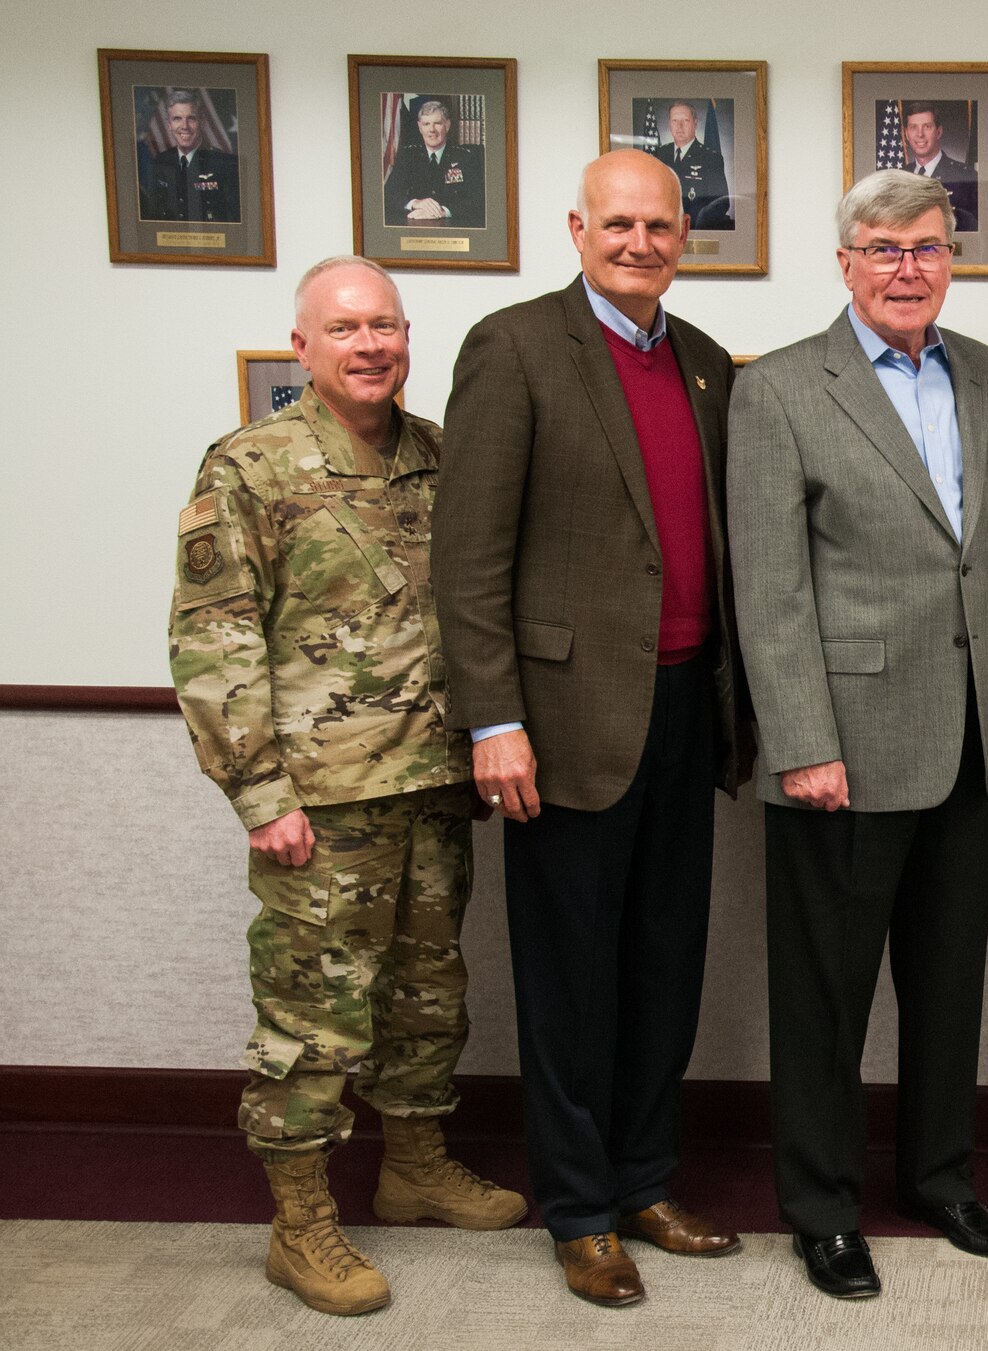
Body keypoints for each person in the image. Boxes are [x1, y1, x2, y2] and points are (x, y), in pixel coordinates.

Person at [168, 255, 527, 1318]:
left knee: (426, 999)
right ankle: (299, 1223)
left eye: (387, 326)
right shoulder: (252, 466)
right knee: (311, 1020)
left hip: (430, 785)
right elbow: (212, 636)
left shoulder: (437, 456)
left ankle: (413, 1166)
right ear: (304, 346)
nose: (371, 345)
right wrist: (258, 793)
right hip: (318, 804)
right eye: (347, 329)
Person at [728, 168, 988, 1300]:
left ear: (948, 260)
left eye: (925, 248)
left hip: (967, 736)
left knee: (947, 979)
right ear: (845, 261)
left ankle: (936, 1176)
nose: (905, 267)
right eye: (882, 248)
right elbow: (767, 591)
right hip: (842, 747)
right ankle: (820, 1207)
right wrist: (800, 738)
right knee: (824, 996)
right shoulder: (775, 390)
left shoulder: (981, 373)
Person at [431, 150, 747, 1307]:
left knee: (666, 964)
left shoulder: (707, 365)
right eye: (617, 223)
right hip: (559, 722)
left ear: (682, 236)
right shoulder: (513, 348)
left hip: (682, 708)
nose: (639, 242)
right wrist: (494, 718)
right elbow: (467, 560)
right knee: (569, 977)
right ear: (576, 228)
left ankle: (644, 1178)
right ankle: (576, 1208)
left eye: (659, 225)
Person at [141, 88, 240, 222]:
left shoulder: (226, 165)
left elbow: (234, 221)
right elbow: (155, 218)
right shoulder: (160, 162)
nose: (184, 126)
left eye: (191, 118)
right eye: (177, 119)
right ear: (169, 124)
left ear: (202, 122)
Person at [383, 99, 486, 228]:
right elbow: (388, 194)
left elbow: (479, 198)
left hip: (453, 228)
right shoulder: (408, 156)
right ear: (420, 127)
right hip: (414, 228)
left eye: (437, 123)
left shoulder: (466, 157)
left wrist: (443, 211)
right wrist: (416, 203)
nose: (431, 130)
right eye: (426, 124)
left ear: (447, 125)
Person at [652, 100, 732, 229]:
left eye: (685, 121)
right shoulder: (659, 154)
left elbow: (721, 203)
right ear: (669, 124)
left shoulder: (711, 158)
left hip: (696, 228)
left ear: (695, 124)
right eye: (675, 121)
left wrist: (699, 225)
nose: (679, 126)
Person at [900, 102, 978, 231]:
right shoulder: (899, 177)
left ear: (939, 131)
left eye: (927, 126)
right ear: (906, 134)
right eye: (913, 127)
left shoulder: (966, 176)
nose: (920, 134)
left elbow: (975, 231)